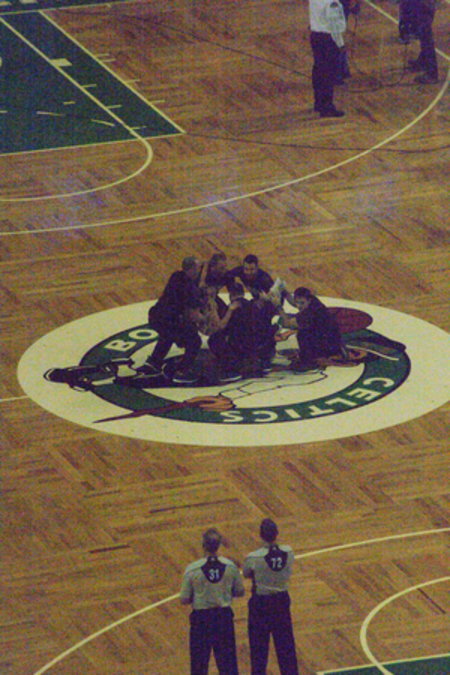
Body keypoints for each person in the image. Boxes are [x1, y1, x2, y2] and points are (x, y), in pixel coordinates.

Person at [180, 528, 245, 675]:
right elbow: (240, 591)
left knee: (199, 665)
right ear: (218, 546)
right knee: (228, 665)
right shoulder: (230, 566)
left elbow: (184, 599)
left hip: (201, 620)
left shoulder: (192, 569)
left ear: (203, 545)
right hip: (223, 618)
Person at [243, 519, 299, 675]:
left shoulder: (254, 557)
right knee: (286, 645)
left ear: (261, 535)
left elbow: (247, 573)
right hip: (281, 601)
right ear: (277, 533)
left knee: (258, 647)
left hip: (261, 604)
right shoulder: (288, 552)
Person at [143, 256, 203, 384]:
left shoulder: (176, 276)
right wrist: (208, 318)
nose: (200, 271)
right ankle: (183, 371)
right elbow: (193, 316)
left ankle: (154, 362)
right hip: (171, 321)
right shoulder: (190, 289)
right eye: (198, 268)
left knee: (167, 336)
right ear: (192, 270)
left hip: (156, 316)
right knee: (195, 341)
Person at [208, 283, 278, 381]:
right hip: (259, 345)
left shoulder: (232, 309)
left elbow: (221, 327)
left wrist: (228, 311)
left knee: (214, 338)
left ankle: (231, 369)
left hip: (241, 347)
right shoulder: (254, 305)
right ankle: (263, 361)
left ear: (230, 295)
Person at [278, 286, 342, 369]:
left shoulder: (308, 314)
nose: (299, 306)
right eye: (297, 302)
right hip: (334, 339)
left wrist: (278, 307)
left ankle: (308, 360)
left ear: (309, 300)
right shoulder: (313, 301)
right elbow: (296, 303)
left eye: (302, 303)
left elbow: (288, 323)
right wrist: (285, 293)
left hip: (327, 345)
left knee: (302, 334)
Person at [309, 0, 347, 117]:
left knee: (318, 71)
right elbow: (334, 27)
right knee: (328, 73)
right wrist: (340, 44)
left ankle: (319, 103)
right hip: (328, 39)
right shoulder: (332, 3)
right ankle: (327, 106)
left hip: (315, 35)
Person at [404, 0, 438, 83]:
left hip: (425, 4)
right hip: (423, 4)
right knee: (423, 34)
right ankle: (423, 61)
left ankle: (432, 74)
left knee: (425, 36)